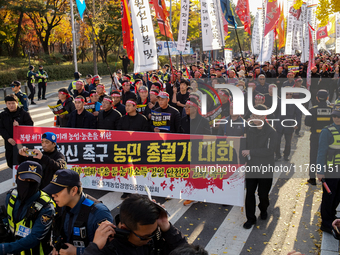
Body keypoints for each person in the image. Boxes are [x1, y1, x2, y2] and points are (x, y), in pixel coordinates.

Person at [82, 194, 187, 255]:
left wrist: (167, 227)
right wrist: (93, 249)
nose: (151, 239)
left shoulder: (153, 236)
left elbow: (187, 251)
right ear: (125, 229)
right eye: (145, 237)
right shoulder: (108, 250)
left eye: (155, 232)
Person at [43, 169, 113, 255]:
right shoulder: (61, 206)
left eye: (58, 190)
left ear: (74, 191)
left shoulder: (98, 213)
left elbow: (111, 250)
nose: (53, 195)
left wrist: (77, 252)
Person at [1, 161, 55, 255]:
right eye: (24, 180)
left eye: (33, 181)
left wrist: (4, 248)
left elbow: (34, 238)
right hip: (14, 250)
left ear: (39, 182)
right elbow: (9, 220)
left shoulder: (46, 207)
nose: (28, 184)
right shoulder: (11, 196)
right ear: (16, 178)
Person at [242, 104, 277, 229]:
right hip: (251, 166)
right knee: (250, 192)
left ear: (264, 116)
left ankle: (263, 209)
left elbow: (270, 150)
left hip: (265, 167)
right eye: (253, 115)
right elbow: (243, 145)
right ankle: (250, 218)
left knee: (263, 194)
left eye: (258, 116)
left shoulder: (271, 132)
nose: (254, 118)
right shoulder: (249, 129)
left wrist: (251, 151)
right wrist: (244, 159)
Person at [316, 104, 340, 234]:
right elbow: (321, 152)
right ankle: (326, 223)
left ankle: (332, 217)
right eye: (335, 116)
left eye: (339, 116)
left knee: (337, 196)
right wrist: (320, 171)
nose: (337, 118)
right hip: (331, 170)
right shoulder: (326, 131)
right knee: (329, 196)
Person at [304, 90, 333, 186]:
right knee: (327, 156)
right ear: (327, 98)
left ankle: (312, 178)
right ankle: (327, 176)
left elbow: (307, 123)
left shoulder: (312, 110)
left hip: (316, 137)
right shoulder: (332, 110)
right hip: (329, 137)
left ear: (317, 98)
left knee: (313, 157)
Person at [0, 94, 33, 168]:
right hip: (10, 144)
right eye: (9, 103)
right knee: (11, 163)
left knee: (23, 164)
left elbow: (30, 127)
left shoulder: (24, 114)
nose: (11, 105)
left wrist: (20, 126)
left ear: (17, 103)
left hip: (22, 145)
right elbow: (1, 128)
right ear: (6, 104)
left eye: (13, 103)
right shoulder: (3, 115)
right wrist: (8, 138)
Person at [275, 91, 302, 161]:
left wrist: (297, 124)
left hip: (289, 125)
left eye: (290, 94)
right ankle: (277, 155)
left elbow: (298, 114)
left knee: (288, 142)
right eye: (287, 94)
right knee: (277, 141)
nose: (288, 96)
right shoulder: (278, 101)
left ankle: (286, 155)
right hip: (279, 125)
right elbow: (275, 113)